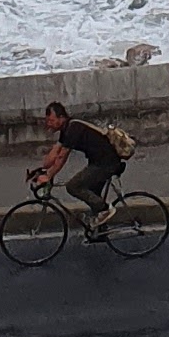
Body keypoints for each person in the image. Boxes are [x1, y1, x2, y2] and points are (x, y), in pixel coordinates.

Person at [35, 100, 121, 236]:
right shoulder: (66, 130)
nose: (48, 124)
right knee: (92, 195)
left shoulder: (73, 129)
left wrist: (48, 176)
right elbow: (54, 153)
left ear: (61, 117)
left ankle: (105, 210)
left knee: (73, 186)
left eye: (51, 120)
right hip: (98, 162)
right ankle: (100, 231)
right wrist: (41, 170)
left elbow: (62, 157)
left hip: (106, 163)